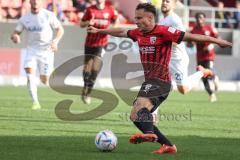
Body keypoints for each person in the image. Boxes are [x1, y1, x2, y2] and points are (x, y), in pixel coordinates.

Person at [87, 3, 232, 154]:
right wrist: (100, 30)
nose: (135, 21)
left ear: (150, 18)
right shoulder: (138, 33)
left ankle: (149, 133)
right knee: (135, 116)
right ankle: (168, 145)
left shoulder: (164, 31)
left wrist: (217, 41)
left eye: (139, 18)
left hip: (161, 81)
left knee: (141, 107)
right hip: (150, 81)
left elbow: (192, 36)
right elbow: (122, 31)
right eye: (135, 17)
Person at [10, 0, 64, 110]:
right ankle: (35, 102)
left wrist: (55, 41)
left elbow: (60, 29)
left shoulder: (48, 15)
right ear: (30, 3)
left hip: (46, 51)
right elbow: (15, 32)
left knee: (45, 81)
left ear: (41, 3)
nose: (35, 5)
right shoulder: (24, 19)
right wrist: (15, 37)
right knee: (30, 75)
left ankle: (50, 73)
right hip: (32, 50)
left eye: (37, 3)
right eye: (33, 3)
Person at [80, 0, 118, 104]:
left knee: (95, 69)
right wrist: (88, 22)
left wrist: (110, 29)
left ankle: (88, 93)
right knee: (87, 70)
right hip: (89, 43)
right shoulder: (90, 9)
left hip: (102, 43)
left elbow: (115, 21)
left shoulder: (110, 10)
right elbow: (81, 24)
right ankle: (85, 87)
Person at [190, 12, 220, 102]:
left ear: (204, 19)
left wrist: (210, 46)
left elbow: (217, 39)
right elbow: (190, 41)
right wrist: (190, 43)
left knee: (207, 71)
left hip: (209, 55)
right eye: (197, 18)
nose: (199, 19)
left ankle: (214, 77)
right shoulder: (193, 30)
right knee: (202, 76)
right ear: (196, 20)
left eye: (201, 17)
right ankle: (211, 94)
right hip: (199, 56)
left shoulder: (209, 28)